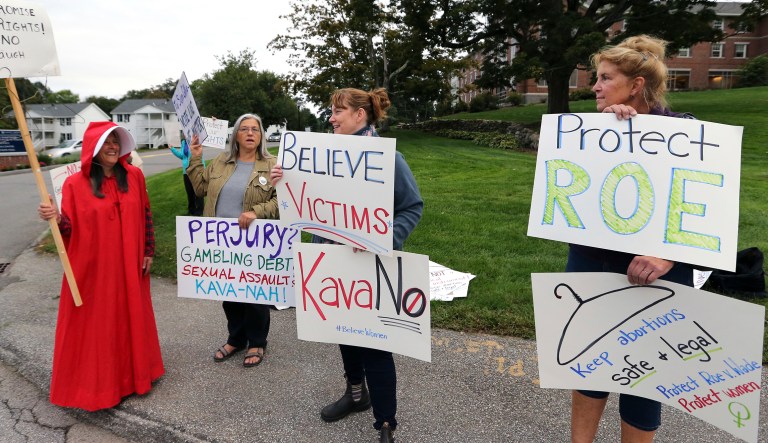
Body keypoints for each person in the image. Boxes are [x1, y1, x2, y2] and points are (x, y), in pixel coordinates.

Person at [271, 88, 423, 443]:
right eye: (331, 111)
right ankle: (356, 396)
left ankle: (386, 422)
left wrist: (382, 237)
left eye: (338, 111)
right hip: (332, 263)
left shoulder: (390, 160)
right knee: (345, 335)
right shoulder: (319, 159)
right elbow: (305, 205)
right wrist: (284, 181)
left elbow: (412, 207)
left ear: (360, 116)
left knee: (376, 345)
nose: (331, 118)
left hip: (372, 265)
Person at [568, 35, 696, 443]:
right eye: (596, 78)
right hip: (590, 261)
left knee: (644, 375)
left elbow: (704, 212)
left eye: (605, 78)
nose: (595, 86)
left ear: (636, 85)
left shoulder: (686, 133)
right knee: (588, 363)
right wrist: (612, 133)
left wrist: (667, 256)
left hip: (653, 274)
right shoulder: (594, 130)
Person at [37, 121, 164, 411]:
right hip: (96, 268)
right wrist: (56, 219)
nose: (113, 148)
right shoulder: (74, 184)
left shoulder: (134, 176)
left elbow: (145, 213)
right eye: (107, 143)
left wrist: (149, 250)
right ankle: (103, 386)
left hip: (130, 264)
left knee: (131, 315)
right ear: (93, 148)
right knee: (100, 324)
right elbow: (70, 226)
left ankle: (136, 377)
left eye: (116, 142)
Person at [187, 113, 277, 368]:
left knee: (254, 293)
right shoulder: (220, 162)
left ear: (261, 136)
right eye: (244, 129)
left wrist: (255, 212)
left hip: (255, 241)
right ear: (236, 135)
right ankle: (236, 338)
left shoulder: (273, 165)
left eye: (255, 130)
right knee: (230, 293)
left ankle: (257, 342)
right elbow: (200, 188)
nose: (250, 133)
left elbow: (281, 201)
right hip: (222, 244)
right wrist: (195, 156)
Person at [170, 137, 204, 215]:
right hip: (186, 171)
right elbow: (182, 156)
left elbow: (197, 153)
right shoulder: (183, 142)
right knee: (189, 191)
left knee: (198, 191)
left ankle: (199, 210)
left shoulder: (196, 140)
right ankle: (191, 209)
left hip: (196, 169)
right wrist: (173, 149)